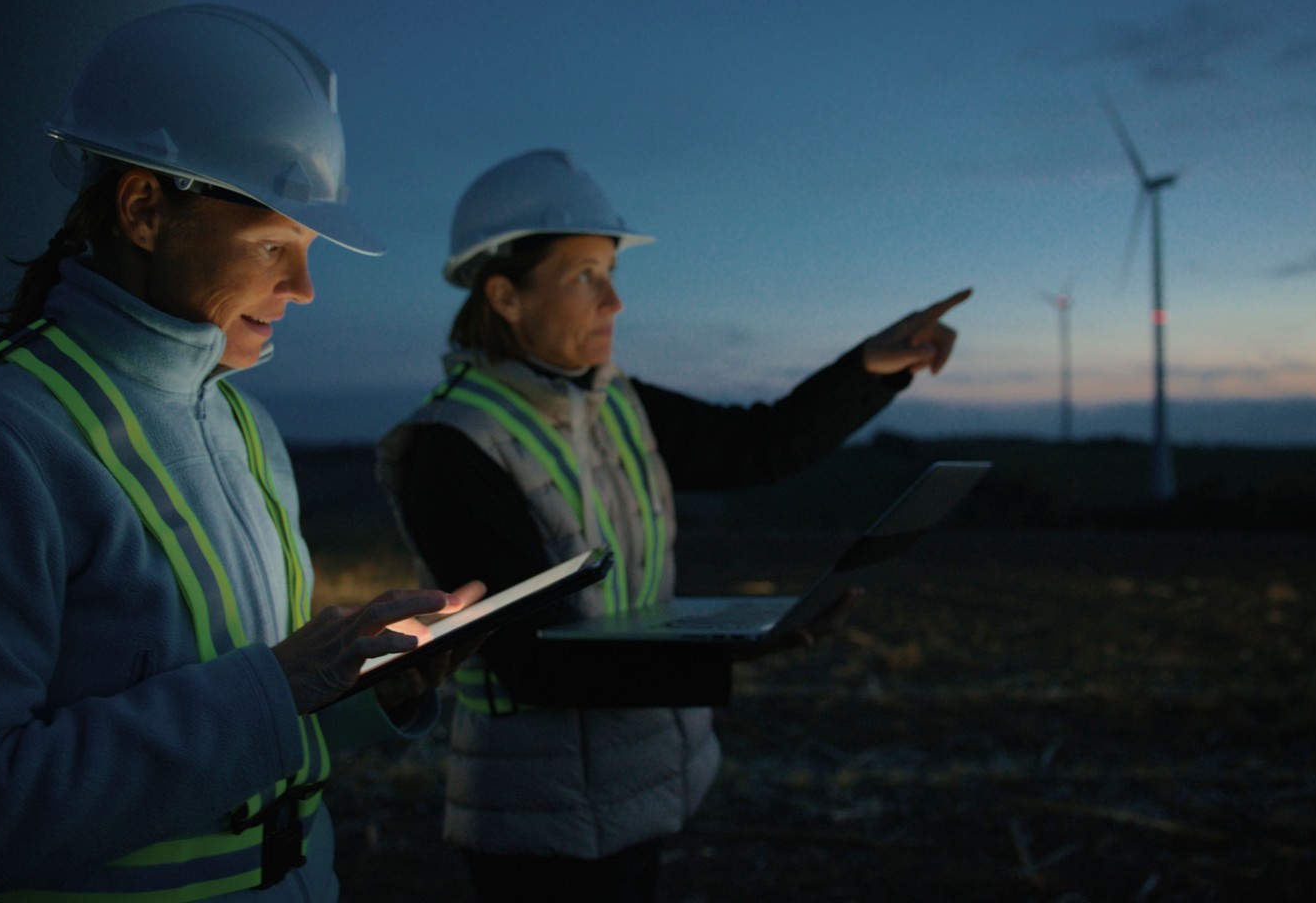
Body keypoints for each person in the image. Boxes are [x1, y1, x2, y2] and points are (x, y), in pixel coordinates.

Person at [0, 4, 482, 902]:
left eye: (303, 251)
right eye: (273, 245)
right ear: (144, 209)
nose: (302, 288)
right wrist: (273, 690)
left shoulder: (245, 433)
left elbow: (258, 737)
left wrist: (370, 687)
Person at [375, 149, 970, 901]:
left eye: (612, 273)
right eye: (584, 275)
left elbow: (758, 446)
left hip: (639, 784)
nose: (614, 302)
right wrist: (734, 647)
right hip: (541, 818)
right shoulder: (452, 447)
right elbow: (534, 659)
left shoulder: (613, 400)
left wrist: (875, 366)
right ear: (505, 296)